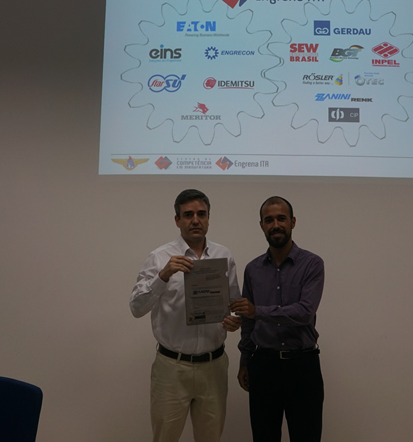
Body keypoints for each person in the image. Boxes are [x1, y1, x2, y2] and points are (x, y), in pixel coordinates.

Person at [130, 189, 242, 442]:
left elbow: (234, 302)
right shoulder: (159, 257)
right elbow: (136, 308)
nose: (195, 220)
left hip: (214, 366)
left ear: (208, 218)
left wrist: (236, 318)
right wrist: (163, 276)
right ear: (177, 220)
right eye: (188, 215)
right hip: (172, 368)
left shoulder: (224, 255)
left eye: (201, 214)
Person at [230, 196, 325, 442]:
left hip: (303, 366)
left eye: (281, 218)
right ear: (261, 225)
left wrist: (258, 311)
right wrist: (244, 360)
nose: (275, 225)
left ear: (293, 222)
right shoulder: (253, 269)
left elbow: (305, 312)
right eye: (269, 220)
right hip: (264, 366)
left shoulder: (312, 264)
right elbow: (248, 321)